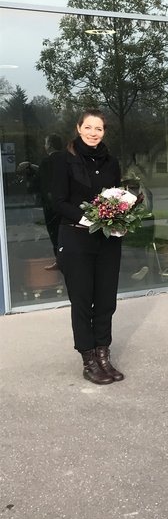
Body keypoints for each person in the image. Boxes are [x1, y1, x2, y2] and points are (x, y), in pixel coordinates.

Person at [52, 109, 125, 385]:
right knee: (82, 300)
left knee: (106, 299)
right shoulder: (64, 160)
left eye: (100, 128)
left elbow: (116, 198)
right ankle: (89, 358)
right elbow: (57, 202)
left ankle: (104, 354)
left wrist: (119, 219)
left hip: (107, 240)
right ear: (79, 128)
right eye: (89, 127)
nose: (94, 133)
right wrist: (89, 218)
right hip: (76, 238)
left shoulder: (111, 162)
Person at [17, 134, 64, 268]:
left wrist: (29, 177)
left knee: (55, 233)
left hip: (52, 205)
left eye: (45, 143)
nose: (44, 146)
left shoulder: (46, 162)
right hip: (67, 203)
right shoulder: (68, 159)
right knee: (67, 233)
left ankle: (60, 261)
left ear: (49, 145)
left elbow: (38, 183)